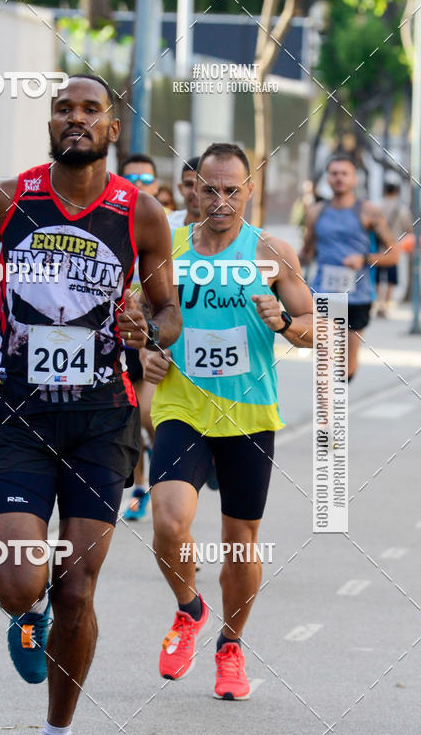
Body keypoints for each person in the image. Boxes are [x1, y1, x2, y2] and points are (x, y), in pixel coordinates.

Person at [0, 74, 181, 735]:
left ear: (113, 128)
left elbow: (169, 313)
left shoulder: (140, 215)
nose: (74, 119)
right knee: (21, 581)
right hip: (20, 412)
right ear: (50, 121)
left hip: (103, 417)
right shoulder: (10, 198)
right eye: (62, 108)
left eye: (90, 110)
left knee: (78, 587)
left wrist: (149, 331)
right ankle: (26, 614)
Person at [141, 142, 314, 699]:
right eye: (208, 189)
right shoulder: (164, 249)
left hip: (248, 413)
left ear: (250, 189)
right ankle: (189, 610)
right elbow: (138, 318)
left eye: (231, 190)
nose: (219, 201)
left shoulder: (269, 252)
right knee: (168, 521)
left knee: (240, 544)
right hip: (181, 406)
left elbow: (317, 323)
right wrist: (143, 351)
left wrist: (285, 320)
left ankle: (231, 643)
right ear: (191, 188)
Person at [300, 154, 398, 379]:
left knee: (347, 367)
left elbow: (393, 254)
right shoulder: (316, 212)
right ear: (328, 178)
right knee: (326, 360)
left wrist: (363, 258)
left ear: (354, 179)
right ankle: (329, 406)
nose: (339, 178)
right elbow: (306, 252)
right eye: (334, 173)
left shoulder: (368, 211)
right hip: (324, 293)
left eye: (344, 173)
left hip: (357, 295)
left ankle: (342, 384)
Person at [118, 153, 162, 521]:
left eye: (146, 180)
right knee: (131, 423)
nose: (138, 187)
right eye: (131, 179)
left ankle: (174, 477)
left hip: (148, 341)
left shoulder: (162, 227)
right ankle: (139, 490)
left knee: (149, 418)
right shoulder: (108, 222)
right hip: (111, 344)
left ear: (158, 186)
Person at [376, 181, 412, 317]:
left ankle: (378, 303)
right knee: (391, 279)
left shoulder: (376, 207)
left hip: (378, 249)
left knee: (378, 279)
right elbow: (408, 229)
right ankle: (385, 306)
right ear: (396, 192)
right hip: (394, 249)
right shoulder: (402, 209)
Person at [167, 156, 201, 230]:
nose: (194, 192)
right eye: (189, 184)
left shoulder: (223, 228)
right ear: (180, 188)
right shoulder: (167, 225)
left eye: (201, 184)